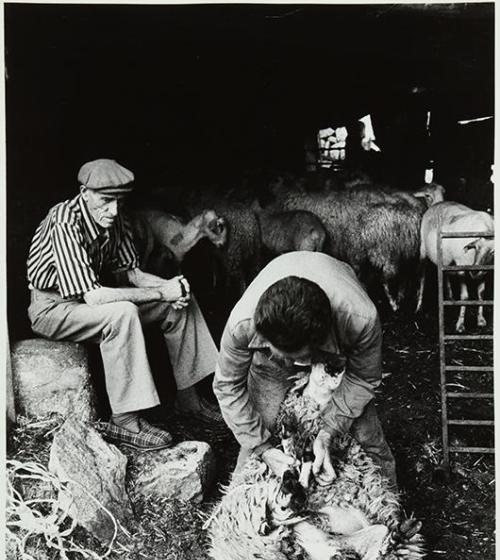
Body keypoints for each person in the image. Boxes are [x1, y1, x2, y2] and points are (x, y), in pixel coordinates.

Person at [26, 158, 220, 451]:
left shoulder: (116, 218)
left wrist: (171, 287)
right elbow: (95, 296)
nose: (113, 210)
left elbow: (135, 274)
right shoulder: (64, 220)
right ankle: (125, 419)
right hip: (54, 308)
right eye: (105, 201)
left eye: (118, 201)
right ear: (84, 192)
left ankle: (189, 398)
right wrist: (160, 293)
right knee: (123, 313)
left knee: (180, 300)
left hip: (90, 301)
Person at [213, 251, 397, 489]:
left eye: (297, 358)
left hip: (334, 347)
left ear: (315, 346)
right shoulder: (243, 324)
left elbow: (363, 378)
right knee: (260, 429)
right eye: (283, 355)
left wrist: (328, 432)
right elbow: (228, 386)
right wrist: (263, 448)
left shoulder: (360, 318)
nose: (293, 365)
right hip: (270, 360)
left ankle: (389, 508)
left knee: (366, 435)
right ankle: (238, 510)